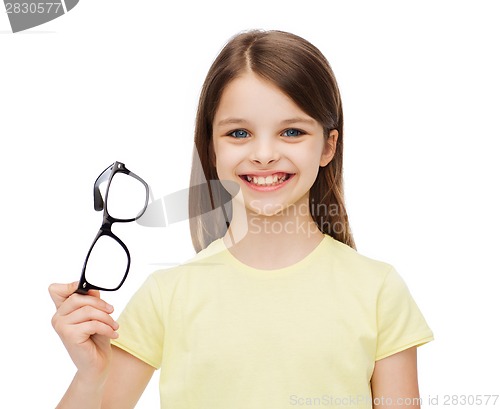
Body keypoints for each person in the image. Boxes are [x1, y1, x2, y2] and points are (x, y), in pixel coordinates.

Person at [49, 29, 433, 409]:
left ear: (328, 146)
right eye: (239, 132)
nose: (264, 154)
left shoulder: (378, 290)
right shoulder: (166, 296)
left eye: (292, 131)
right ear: (211, 148)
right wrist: (89, 376)